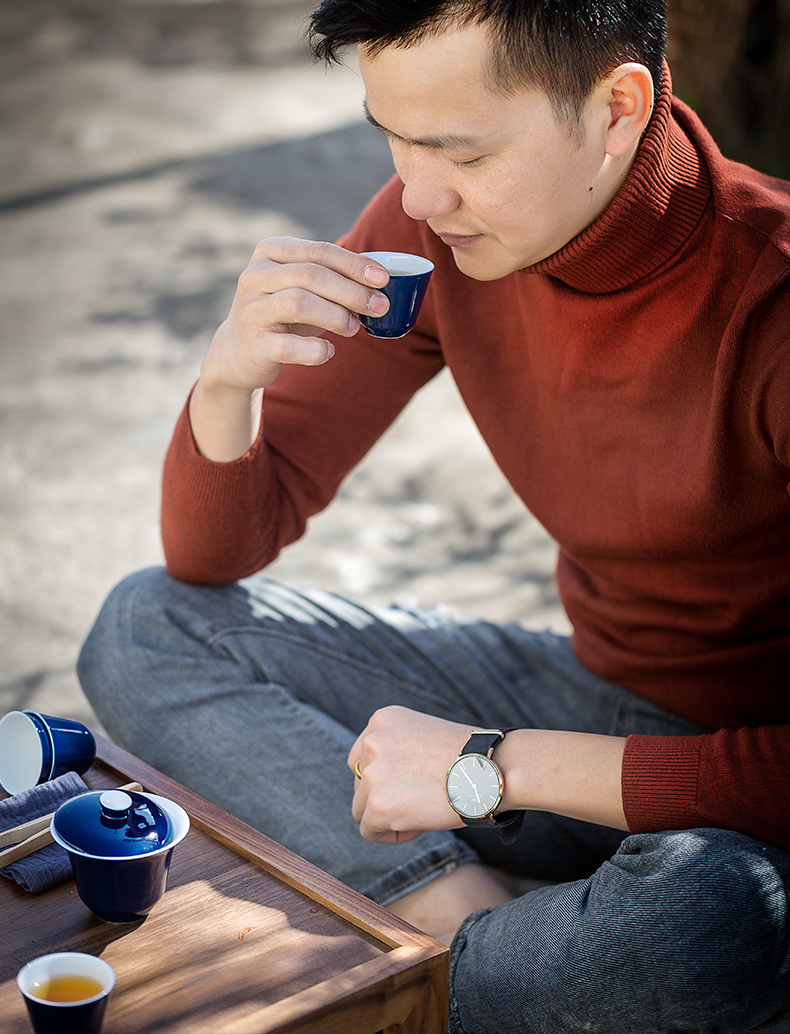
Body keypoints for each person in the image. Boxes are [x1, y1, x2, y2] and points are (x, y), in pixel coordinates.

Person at [77, 1, 790, 1030]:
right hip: (593, 692)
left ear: (617, 108)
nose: (415, 192)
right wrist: (228, 379)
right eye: (392, 137)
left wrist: (485, 766)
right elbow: (209, 558)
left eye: (458, 149)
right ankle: (465, 941)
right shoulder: (435, 234)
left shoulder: (768, 304)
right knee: (147, 626)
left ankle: (462, 966)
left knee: (704, 915)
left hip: (743, 784)